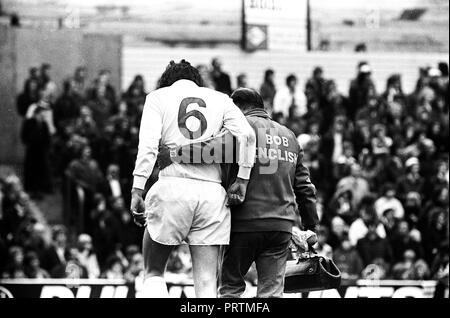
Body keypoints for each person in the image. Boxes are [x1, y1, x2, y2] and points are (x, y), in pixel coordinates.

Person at [157, 88, 319, 298]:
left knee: (231, 290)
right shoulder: (289, 137)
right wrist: (310, 225)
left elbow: (211, 149)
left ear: (237, 108)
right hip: (280, 227)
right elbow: (305, 187)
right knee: (271, 295)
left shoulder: (240, 129)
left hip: (243, 224)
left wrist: (174, 154)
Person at [130, 60, 256, 298]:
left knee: (154, 272)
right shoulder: (220, 99)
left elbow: (147, 147)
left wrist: (138, 188)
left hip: (172, 187)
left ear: (167, 81)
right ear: (197, 81)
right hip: (212, 194)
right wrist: (243, 178)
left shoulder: (158, 97)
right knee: (207, 283)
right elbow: (248, 136)